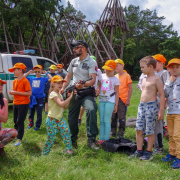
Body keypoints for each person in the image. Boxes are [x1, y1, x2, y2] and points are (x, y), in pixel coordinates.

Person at [60, 40, 99, 150]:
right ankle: (73, 140)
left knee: (91, 109)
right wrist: (63, 88)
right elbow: (68, 77)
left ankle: (91, 140)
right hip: (74, 92)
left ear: (84, 48)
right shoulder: (74, 61)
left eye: (76, 47)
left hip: (87, 92)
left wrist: (83, 84)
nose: (74, 49)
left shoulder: (92, 62)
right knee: (72, 117)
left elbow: (92, 80)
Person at [130, 56, 164, 160]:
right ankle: (139, 151)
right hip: (142, 106)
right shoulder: (144, 80)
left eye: (142, 67)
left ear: (150, 67)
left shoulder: (157, 79)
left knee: (150, 131)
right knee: (139, 129)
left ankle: (148, 152)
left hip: (152, 106)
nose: (141, 69)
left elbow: (162, 95)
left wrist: (161, 110)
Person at [42, 75, 73, 155]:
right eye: (58, 83)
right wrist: (70, 98)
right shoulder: (53, 94)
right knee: (51, 138)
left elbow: (65, 107)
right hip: (52, 119)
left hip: (60, 118)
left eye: (61, 83)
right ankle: (45, 153)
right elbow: (61, 104)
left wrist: (68, 98)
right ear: (53, 84)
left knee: (66, 131)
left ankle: (68, 149)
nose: (60, 85)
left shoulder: (59, 94)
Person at [162, 58, 180, 169]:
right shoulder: (169, 80)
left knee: (178, 136)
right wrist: (170, 82)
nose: (175, 69)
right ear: (168, 69)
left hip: (179, 113)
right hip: (170, 112)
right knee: (171, 135)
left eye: (177, 67)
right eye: (172, 67)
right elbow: (164, 93)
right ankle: (172, 154)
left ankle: (179, 157)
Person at [8, 63, 32, 146]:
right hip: (16, 103)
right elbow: (16, 92)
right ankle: (16, 136)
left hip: (23, 104)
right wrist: (12, 92)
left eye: (15, 70)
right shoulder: (15, 81)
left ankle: (19, 138)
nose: (13, 71)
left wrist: (16, 92)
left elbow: (29, 93)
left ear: (20, 70)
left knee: (20, 121)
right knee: (15, 121)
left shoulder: (25, 81)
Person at [25, 65, 52, 131]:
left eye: (39, 71)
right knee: (31, 112)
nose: (37, 73)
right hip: (32, 98)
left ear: (41, 71)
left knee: (39, 113)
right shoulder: (31, 78)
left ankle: (37, 125)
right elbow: (23, 77)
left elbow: (52, 79)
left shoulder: (43, 79)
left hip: (39, 98)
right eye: (36, 71)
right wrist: (28, 72)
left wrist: (47, 73)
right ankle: (30, 124)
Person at [152, 54, 170, 155]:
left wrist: (165, 102)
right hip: (152, 102)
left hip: (160, 102)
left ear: (161, 63)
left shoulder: (164, 73)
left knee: (158, 125)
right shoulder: (154, 73)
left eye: (155, 62)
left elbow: (167, 88)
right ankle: (153, 144)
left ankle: (159, 147)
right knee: (153, 125)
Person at [97, 60, 119, 143]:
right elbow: (99, 87)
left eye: (110, 70)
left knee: (106, 120)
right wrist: (98, 90)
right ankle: (101, 138)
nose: (108, 72)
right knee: (101, 120)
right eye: (106, 70)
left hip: (110, 100)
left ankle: (106, 139)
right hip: (101, 100)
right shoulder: (101, 76)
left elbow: (117, 92)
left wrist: (116, 105)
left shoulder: (116, 79)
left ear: (114, 70)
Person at [78, 55, 102, 126]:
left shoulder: (98, 70)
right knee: (83, 105)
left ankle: (90, 122)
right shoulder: (84, 69)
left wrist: (99, 87)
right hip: (85, 89)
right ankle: (80, 118)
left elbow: (101, 79)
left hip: (93, 90)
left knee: (92, 106)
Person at [111, 59, 133, 137]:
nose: (115, 67)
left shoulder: (126, 76)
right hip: (114, 98)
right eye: (114, 66)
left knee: (121, 116)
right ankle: (112, 132)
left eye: (117, 65)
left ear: (122, 65)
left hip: (123, 99)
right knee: (113, 116)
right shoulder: (115, 76)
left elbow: (130, 88)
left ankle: (121, 132)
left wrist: (128, 99)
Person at [0, 79, 18, 156]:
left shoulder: (4, 101)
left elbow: (5, 120)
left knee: (14, 133)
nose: (1, 87)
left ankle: (0, 147)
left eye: (1, 85)